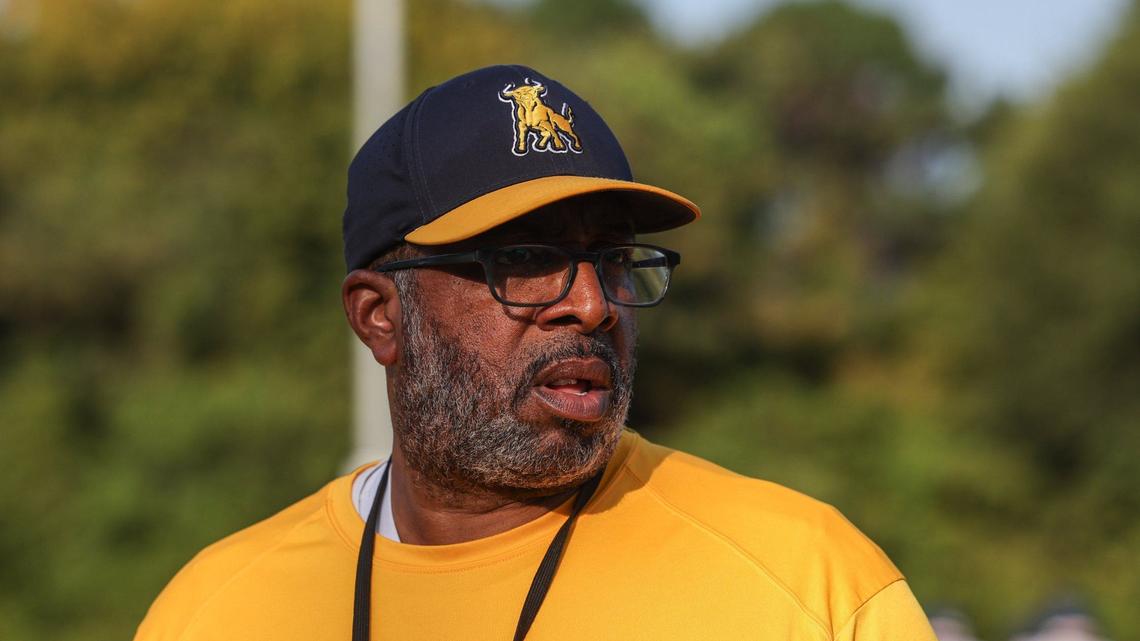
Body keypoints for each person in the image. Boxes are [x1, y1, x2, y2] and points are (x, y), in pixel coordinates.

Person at [134, 65, 937, 641]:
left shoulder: (811, 586)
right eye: (522, 259)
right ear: (380, 317)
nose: (591, 303)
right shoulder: (215, 611)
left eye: (614, 260)